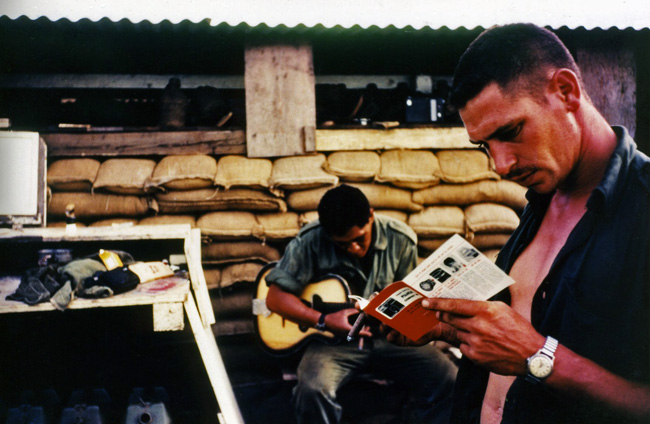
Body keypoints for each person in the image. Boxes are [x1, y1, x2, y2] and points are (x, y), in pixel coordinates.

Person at [385, 23, 650, 423]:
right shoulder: (541, 200)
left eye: (511, 132)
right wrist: (450, 330)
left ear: (566, 91)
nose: (501, 165)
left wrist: (538, 356)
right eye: (484, 146)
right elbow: (519, 332)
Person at [265, 184, 458, 424]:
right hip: (334, 342)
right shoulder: (311, 240)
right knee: (313, 389)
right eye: (343, 245)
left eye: (359, 239)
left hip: (389, 337)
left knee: (449, 378)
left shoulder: (400, 238)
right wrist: (323, 320)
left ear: (371, 216)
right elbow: (275, 298)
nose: (354, 249)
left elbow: (410, 297)